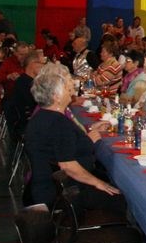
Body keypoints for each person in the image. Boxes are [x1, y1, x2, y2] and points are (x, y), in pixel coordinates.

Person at [24, 63, 124, 214]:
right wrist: (98, 183)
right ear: (56, 96)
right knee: (120, 198)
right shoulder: (58, 122)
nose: (71, 92)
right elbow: (68, 166)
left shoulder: (42, 116)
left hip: (48, 186)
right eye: (66, 88)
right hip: (62, 194)